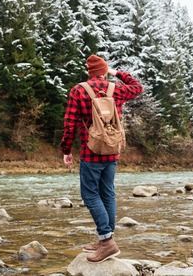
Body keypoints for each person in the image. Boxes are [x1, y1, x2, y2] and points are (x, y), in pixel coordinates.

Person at [60, 54, 143, 263]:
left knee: (89, 195)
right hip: (112, 150)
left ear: (89, 72)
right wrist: (117, 73)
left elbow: (69, 124)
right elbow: (137, 87)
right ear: (104, 71)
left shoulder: (78, 90)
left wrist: (66, 150)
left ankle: (107, 242)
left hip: (91, 151)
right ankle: (105, 238)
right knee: (107, 193)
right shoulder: (117, 89)